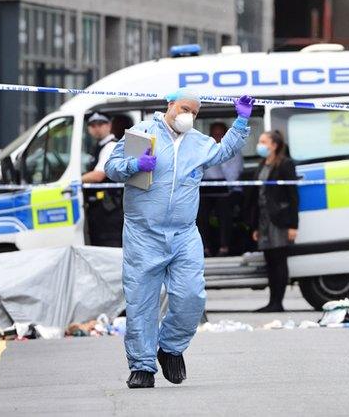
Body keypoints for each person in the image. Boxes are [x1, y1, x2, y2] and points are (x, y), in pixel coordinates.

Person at [105, 88, 253, 389]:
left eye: (194, 112)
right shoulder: (141, 134)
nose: (188, 115)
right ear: (169, 105)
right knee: (141, 302)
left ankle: (170, 348)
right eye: (184, 108)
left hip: (184, 233)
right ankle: (142, 366)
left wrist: (241, 122)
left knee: (192, 296)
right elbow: (111, 168)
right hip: (143, 232)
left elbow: (224, 151)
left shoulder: (198, 143)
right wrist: (134, 165)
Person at [245, 130, 299, 312]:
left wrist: (293, 225)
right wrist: (255, 226)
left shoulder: (285, 165)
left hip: (279, 219)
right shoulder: (262, 165)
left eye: (263, 141)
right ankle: (272, 301)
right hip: (263, 220)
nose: (260, 145)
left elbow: (293, 197)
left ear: (274, 145)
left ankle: (278, 302)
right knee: (269, 261)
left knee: (279, 260)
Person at [197, 122, 244, 256]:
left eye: (220, 135)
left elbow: (233, 176)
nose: (217, 138)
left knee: (224, 209)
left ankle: (225, 246)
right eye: (215, 135)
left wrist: (220, 157)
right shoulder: (204, 151)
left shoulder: (234, 151)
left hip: (229, 189)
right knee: (199, 212)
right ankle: (204, 247)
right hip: (207, 189)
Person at [81, 113, 124, 247]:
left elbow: (98, 175)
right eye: (93, 125)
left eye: (101, 124)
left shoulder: (110, 146)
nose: (97, 128)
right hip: (101, 209)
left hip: (109, 208)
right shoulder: (99, 146)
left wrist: (74, 179)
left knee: (108, 245)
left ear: (109, 125)